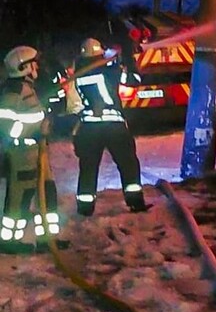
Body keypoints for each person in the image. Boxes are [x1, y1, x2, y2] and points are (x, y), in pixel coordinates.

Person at [72, 38, 148, 215]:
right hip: (113, 126)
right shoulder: (109, 71)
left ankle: (85, 208)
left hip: (89, 127)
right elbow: (133, 80)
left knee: (88, 168)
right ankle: (135, 202)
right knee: (128, 163)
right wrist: (128, 59)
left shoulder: (80, 72)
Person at [0, 45, 61, 253]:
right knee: (20, 199)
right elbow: (8, 128)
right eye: (34, 63)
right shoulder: (13, 92)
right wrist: (33, 132)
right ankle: (9, 241)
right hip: (21, 154)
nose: (38, 67)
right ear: (24, 67)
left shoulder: (27, 89)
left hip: (37, 151)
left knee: (47, 193)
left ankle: (48, 239)